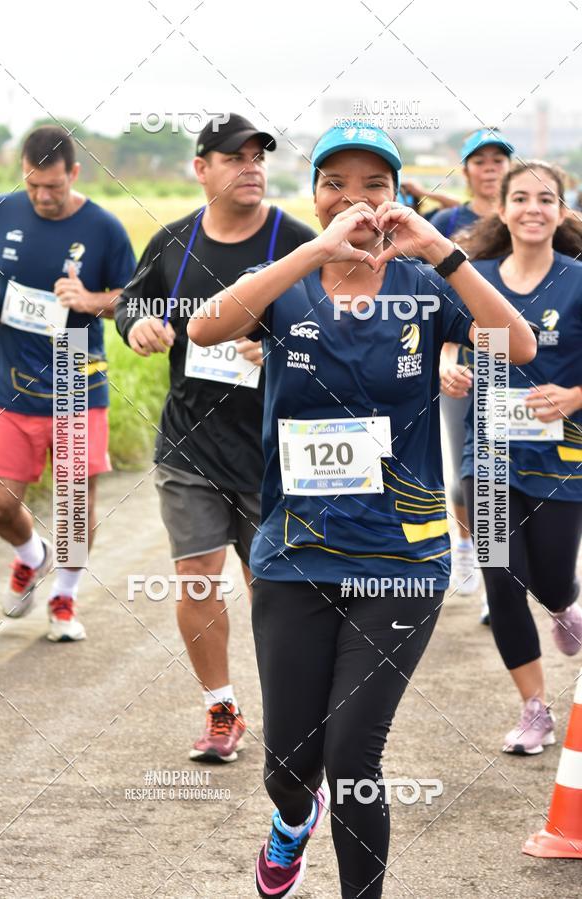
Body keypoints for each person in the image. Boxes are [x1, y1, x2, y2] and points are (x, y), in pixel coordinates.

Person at [188, 124, 536, 898]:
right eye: (335, 183)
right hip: (294, 555)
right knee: (289, 765)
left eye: (374, 184)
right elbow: (204, 328)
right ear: (314, 197)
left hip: (402, 558)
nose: (355, 198)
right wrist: (313, 253)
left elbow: (515, 347)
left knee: (352, 758)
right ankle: (288, 823)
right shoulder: (288, 281)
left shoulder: (425, 286)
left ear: (398, 196)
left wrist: (439, 251)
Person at [114, 113, 316, 764]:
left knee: (272, 589)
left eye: (258, 154)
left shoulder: (297, 240)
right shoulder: (173, 243)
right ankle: (221, 707)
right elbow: (131, 305)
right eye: (234, 156)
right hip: (190, 446)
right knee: (197, 576)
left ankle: (290, 712)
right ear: (201, 169)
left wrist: (286, 346)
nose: (251, 165)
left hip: (272, 449)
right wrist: (135, 329)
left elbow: (342, 324)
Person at [0, 125, 136, 641]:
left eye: (53, 186)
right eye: (33, 187)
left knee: (74, 506)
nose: (43, 197)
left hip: (76, 379)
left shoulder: (105, 229)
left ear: (74, 173)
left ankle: (64, 599)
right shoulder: (1, 211)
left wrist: (90, 301)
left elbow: (133, 303)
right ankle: (31, 555)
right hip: (9, 381)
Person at [458, 160, 582, 755]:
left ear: (561, 212)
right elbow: (446, 341)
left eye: (547, 199)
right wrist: (446, 365)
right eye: (522, 198)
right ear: (501, 209)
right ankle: (534, 709)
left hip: (563, 457)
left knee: (551, 578)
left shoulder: (579, 280)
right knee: (503, 579)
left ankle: (564, 606)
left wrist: (576, 395)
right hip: (489, 457)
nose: (534, 208)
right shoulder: (473, 277)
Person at [433, 129, 514, 614]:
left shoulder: (523, 220)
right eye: (479, 160)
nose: (489, 168)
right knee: (466, 473)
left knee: (499, 475)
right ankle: (464, 544)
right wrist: (443, 355)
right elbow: (432, 295)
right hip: (461, 359)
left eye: (498, 159)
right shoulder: (446, 222)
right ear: (465, 170)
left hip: (515, 359)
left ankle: (494, 582)